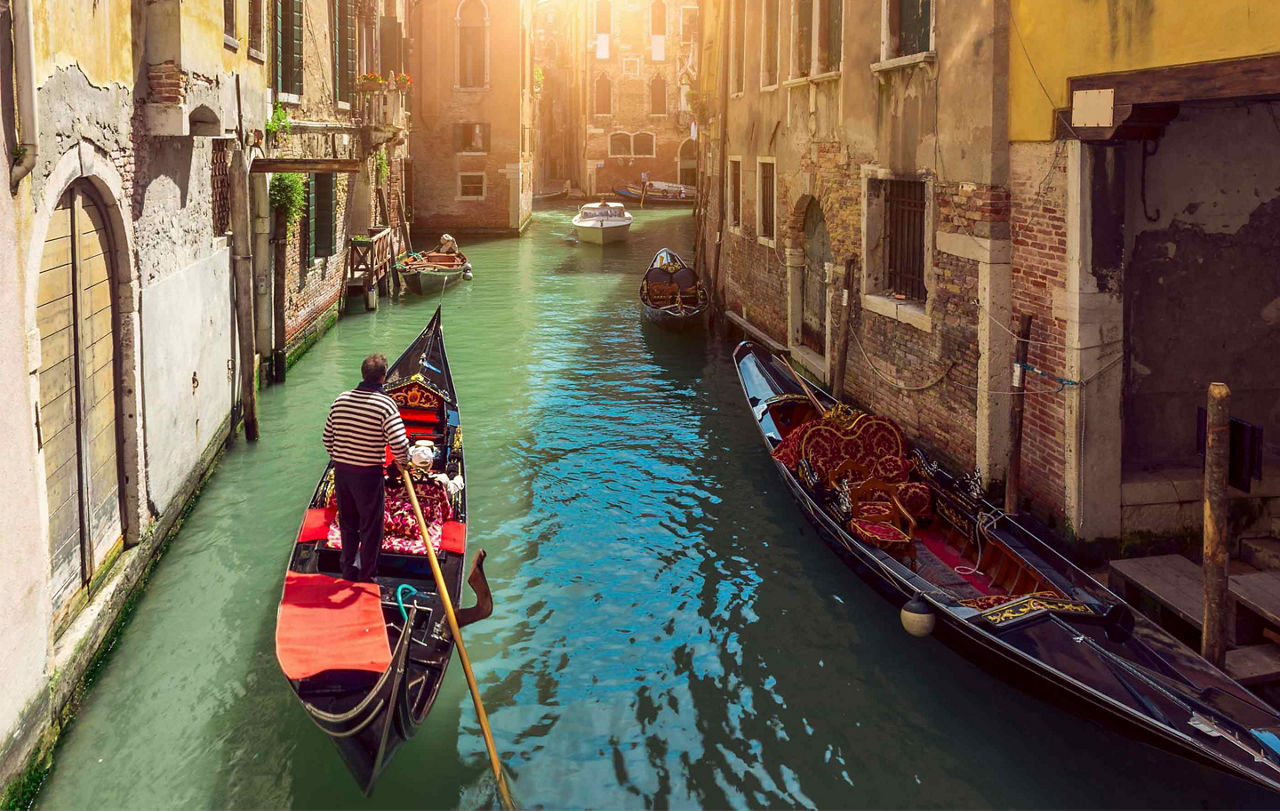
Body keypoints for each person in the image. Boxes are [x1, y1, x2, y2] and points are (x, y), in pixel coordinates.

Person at [322, 354, 410, 582]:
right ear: (384, 377)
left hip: (341, 473)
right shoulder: (385, 404)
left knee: (348, 524)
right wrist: (403, 463)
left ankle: (348, 570)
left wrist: (342, 457)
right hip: (368, 476)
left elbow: (327, 438)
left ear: (363, 375)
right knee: (371, 527)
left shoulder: (341, 399)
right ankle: (367, 575)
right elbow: (399, 443)